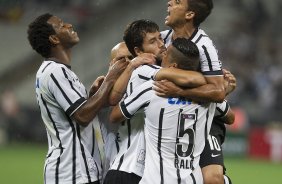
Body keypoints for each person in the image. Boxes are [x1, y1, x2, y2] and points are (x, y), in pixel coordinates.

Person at [27, 13, 128, 184]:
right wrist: (111, 78)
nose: (69, 25)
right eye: (61, 25)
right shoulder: (54, 71)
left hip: (81, 169)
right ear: (54, 39)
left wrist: (93, 96)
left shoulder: (60, 71)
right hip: (70, 171)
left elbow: (76, 114)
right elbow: (82, 116)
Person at [104, 20, 206, 184]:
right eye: (153, 41)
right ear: (138, 51)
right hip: (130, 169)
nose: (161, 44)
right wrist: (214, 81)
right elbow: (191, 78)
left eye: (160, 38)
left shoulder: (150, 72)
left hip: (145, 173)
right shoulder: (145, 71)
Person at [157, 0, 235, 183]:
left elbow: (217, 91)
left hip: (204, 120)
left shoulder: (204, 46)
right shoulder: (161, 40)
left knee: (212, 180)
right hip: (169, 115)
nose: (169, 2)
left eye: (176, 2)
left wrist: (178, 91)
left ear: (189, 14)